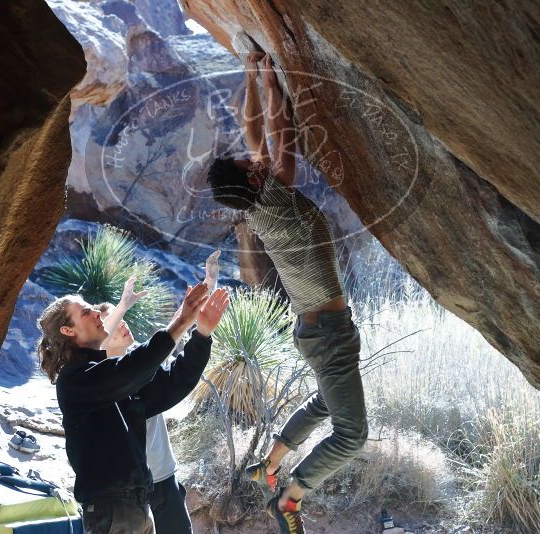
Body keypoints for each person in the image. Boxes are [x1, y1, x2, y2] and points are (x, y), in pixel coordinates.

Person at [205, 52, 368, 533]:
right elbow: (273, 128)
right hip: (327, 331)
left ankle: (267, 465)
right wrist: (266, 78)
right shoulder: (275, 198)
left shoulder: (265, 200)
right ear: (254, 178)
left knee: (325, 401)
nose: (251, 154)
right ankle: (290, 497)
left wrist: (258, 74)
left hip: (320, 327)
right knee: (352, 433)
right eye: (246, 161)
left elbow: (256, 129)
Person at [37, 282, 230, 534]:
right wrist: (181, 320)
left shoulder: (112, 376)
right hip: (112, 510)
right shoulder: (75, 380)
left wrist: (202, 334)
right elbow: (134, 367)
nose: (96, 313)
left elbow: (174, 382)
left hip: (138, 506)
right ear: (68, 330)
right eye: (85, 312)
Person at [94, 300, 192, 534]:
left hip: (165, 479)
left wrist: (192, 307)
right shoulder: (95, 382)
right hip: (128, 493)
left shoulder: (144, 363)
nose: (123, 324)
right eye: (116, 322)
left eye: (124, 319)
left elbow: (169, 339)